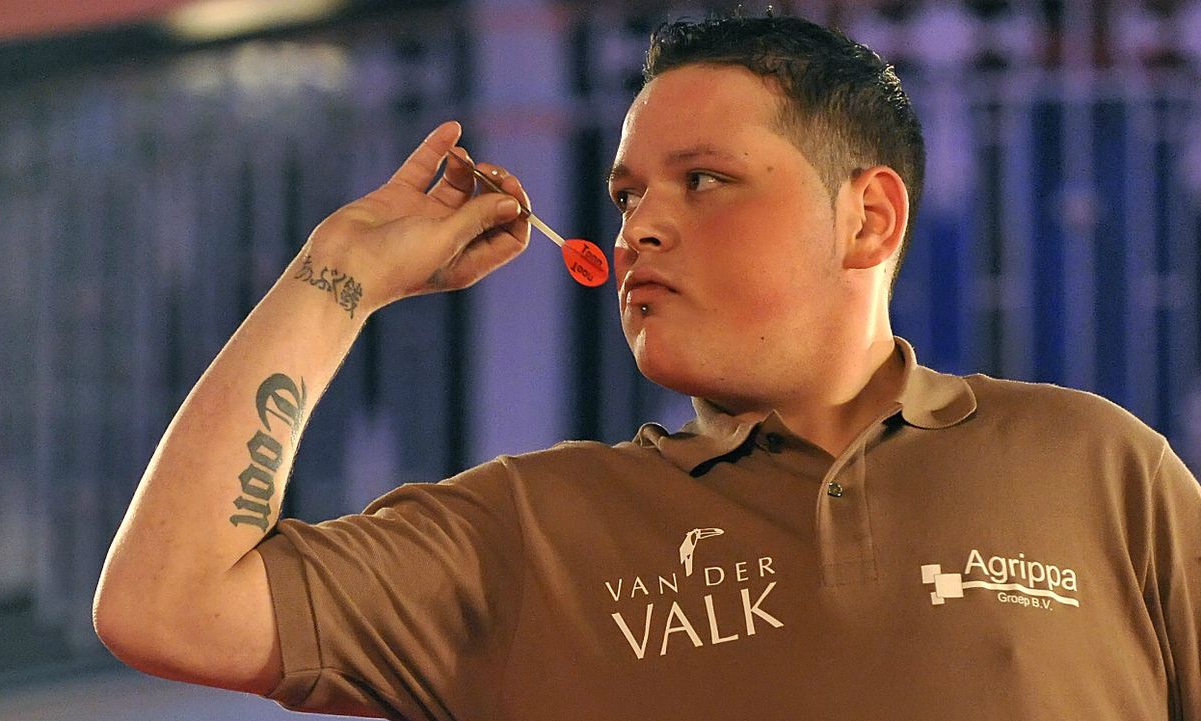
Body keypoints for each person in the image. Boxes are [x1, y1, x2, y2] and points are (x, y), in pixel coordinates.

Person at [92, 13, 1200, 721]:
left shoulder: (1097, 468)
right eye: (627, 196)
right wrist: (337, 274)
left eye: (704, 180)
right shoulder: (528, 534)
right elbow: (166, 606)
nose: (639, 230)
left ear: (867, 217)